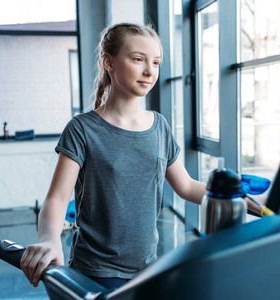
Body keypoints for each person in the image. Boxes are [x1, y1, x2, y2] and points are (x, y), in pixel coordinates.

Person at [20, 23, 207, 290]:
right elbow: (57, 198)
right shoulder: (82, 129)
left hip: (147, 271)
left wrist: (241, 197)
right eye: (138, 59)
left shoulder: (160, 127)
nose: (149, 71)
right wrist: (50, 239)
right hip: (95, 273)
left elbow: (187, 186)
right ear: (109, 62)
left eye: (156, 62)